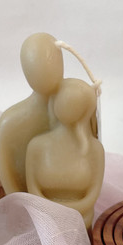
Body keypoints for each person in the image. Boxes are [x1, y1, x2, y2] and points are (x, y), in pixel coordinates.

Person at [25, 78, 104, 229]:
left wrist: (70, 211)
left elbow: (93, 194)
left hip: (80, 217)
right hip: (44, 216)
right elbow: (33, 189)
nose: (67, 105)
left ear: (86, 108)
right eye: (63, 99)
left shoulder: (95, 149)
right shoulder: (37, 146)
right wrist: (51, 211)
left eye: (74, 102)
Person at [0, 32, 64, 193]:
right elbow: (8, 177)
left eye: (49, 61)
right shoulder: (11, 122)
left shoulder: (81, 108)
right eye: (34, 64)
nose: (44, 71)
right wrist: (22, 204)